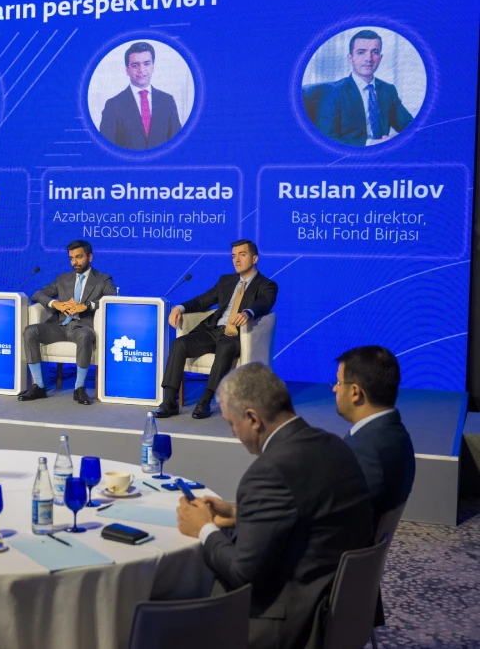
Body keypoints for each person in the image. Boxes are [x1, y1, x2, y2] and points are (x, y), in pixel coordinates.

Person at [177, 363, 372, 649]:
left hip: (287, 622)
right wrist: (238, 515)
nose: (233, 434)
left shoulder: (267, 474)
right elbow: (308, 516)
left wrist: (204, 529)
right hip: (340, 606)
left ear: (253, 419)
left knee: (166, 617)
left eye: (232, 424)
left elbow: (242, 574)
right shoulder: (334, 445)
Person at [334, 345, 416, 631]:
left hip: (327, 591)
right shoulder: (395, 436)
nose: (334, 389)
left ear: (356, 392)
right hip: (357, 579)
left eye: (338, 382)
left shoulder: (365, 452)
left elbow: (330, 526)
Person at [156, 239, 277, 419]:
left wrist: (248, 313)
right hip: (214, 331)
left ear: (254, 258)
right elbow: (203, 301)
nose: (237, 260)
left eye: (242, 255)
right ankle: (169, 402)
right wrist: (179, 308)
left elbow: (264, 303)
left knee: (226, 347)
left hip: (237, 335)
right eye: (234, 256)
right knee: (179, 344)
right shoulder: (226, 281)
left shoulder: (267, 285)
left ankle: (204, 402)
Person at [18, 240, 116, 406]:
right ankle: (39, 386)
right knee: (30, 331)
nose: (74, 262)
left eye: (79, 257)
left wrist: (86, 306)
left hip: (83, 326)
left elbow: (113, 298)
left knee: (84, 335)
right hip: (60, 326)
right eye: (71, 258)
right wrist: (56, 303)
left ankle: (79, 388)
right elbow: (37, 294)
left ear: (90, 257)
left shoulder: (103, 279)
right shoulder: (63, 279)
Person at [315, 29, 414, 146]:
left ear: (380, 57)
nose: (369, 59)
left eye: (375, 52)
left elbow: (411, 126)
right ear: (350, 58)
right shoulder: (333, 91)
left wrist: (397, 138)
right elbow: (327, 137)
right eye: (361, 52)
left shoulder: (388, 90)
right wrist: (372, 143)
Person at [98, 41, 182, 150]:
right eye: (135, 65)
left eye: (146, 63)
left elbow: (178, 144)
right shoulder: (113, 105)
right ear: (127, 70)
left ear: (153, 67)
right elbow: (106, 149)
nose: (141, 70)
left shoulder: (167, 101)